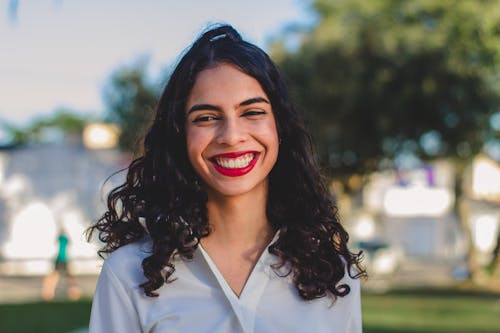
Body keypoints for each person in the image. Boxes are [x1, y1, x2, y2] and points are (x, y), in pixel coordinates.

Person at [87, 24, 366, 333]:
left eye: (252, 112)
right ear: (180, 136)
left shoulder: (332, 272)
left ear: (280, 127)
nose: (231, 137)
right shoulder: (127, 274)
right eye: (206, 118)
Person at [42, 227, 81, 300]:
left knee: (55, 277)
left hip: (60, 259)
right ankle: (74, 293)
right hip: (64, 259)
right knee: (69, 277)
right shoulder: (65, 239)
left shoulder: (60, 238)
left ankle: (48, 293)